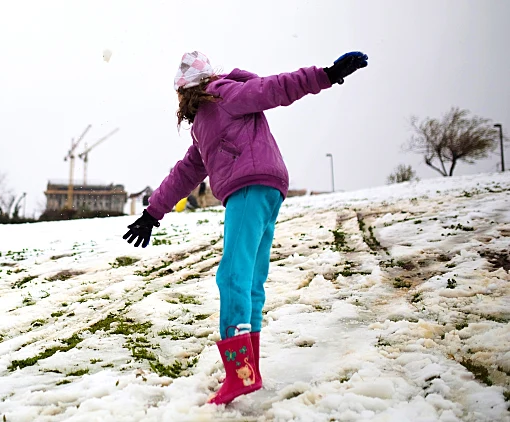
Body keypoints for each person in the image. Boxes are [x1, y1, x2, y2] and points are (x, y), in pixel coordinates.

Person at [122, 50, 368, 404]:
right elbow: (186, 172)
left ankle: (239, 374)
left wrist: (327, 74)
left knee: (232, 276)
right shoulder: (204, 125)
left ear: (187, 89)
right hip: (267, 189)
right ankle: (248, 370)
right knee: (250, 280)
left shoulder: (224, 95)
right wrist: (152, 213)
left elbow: (276, 88)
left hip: (249, 187)